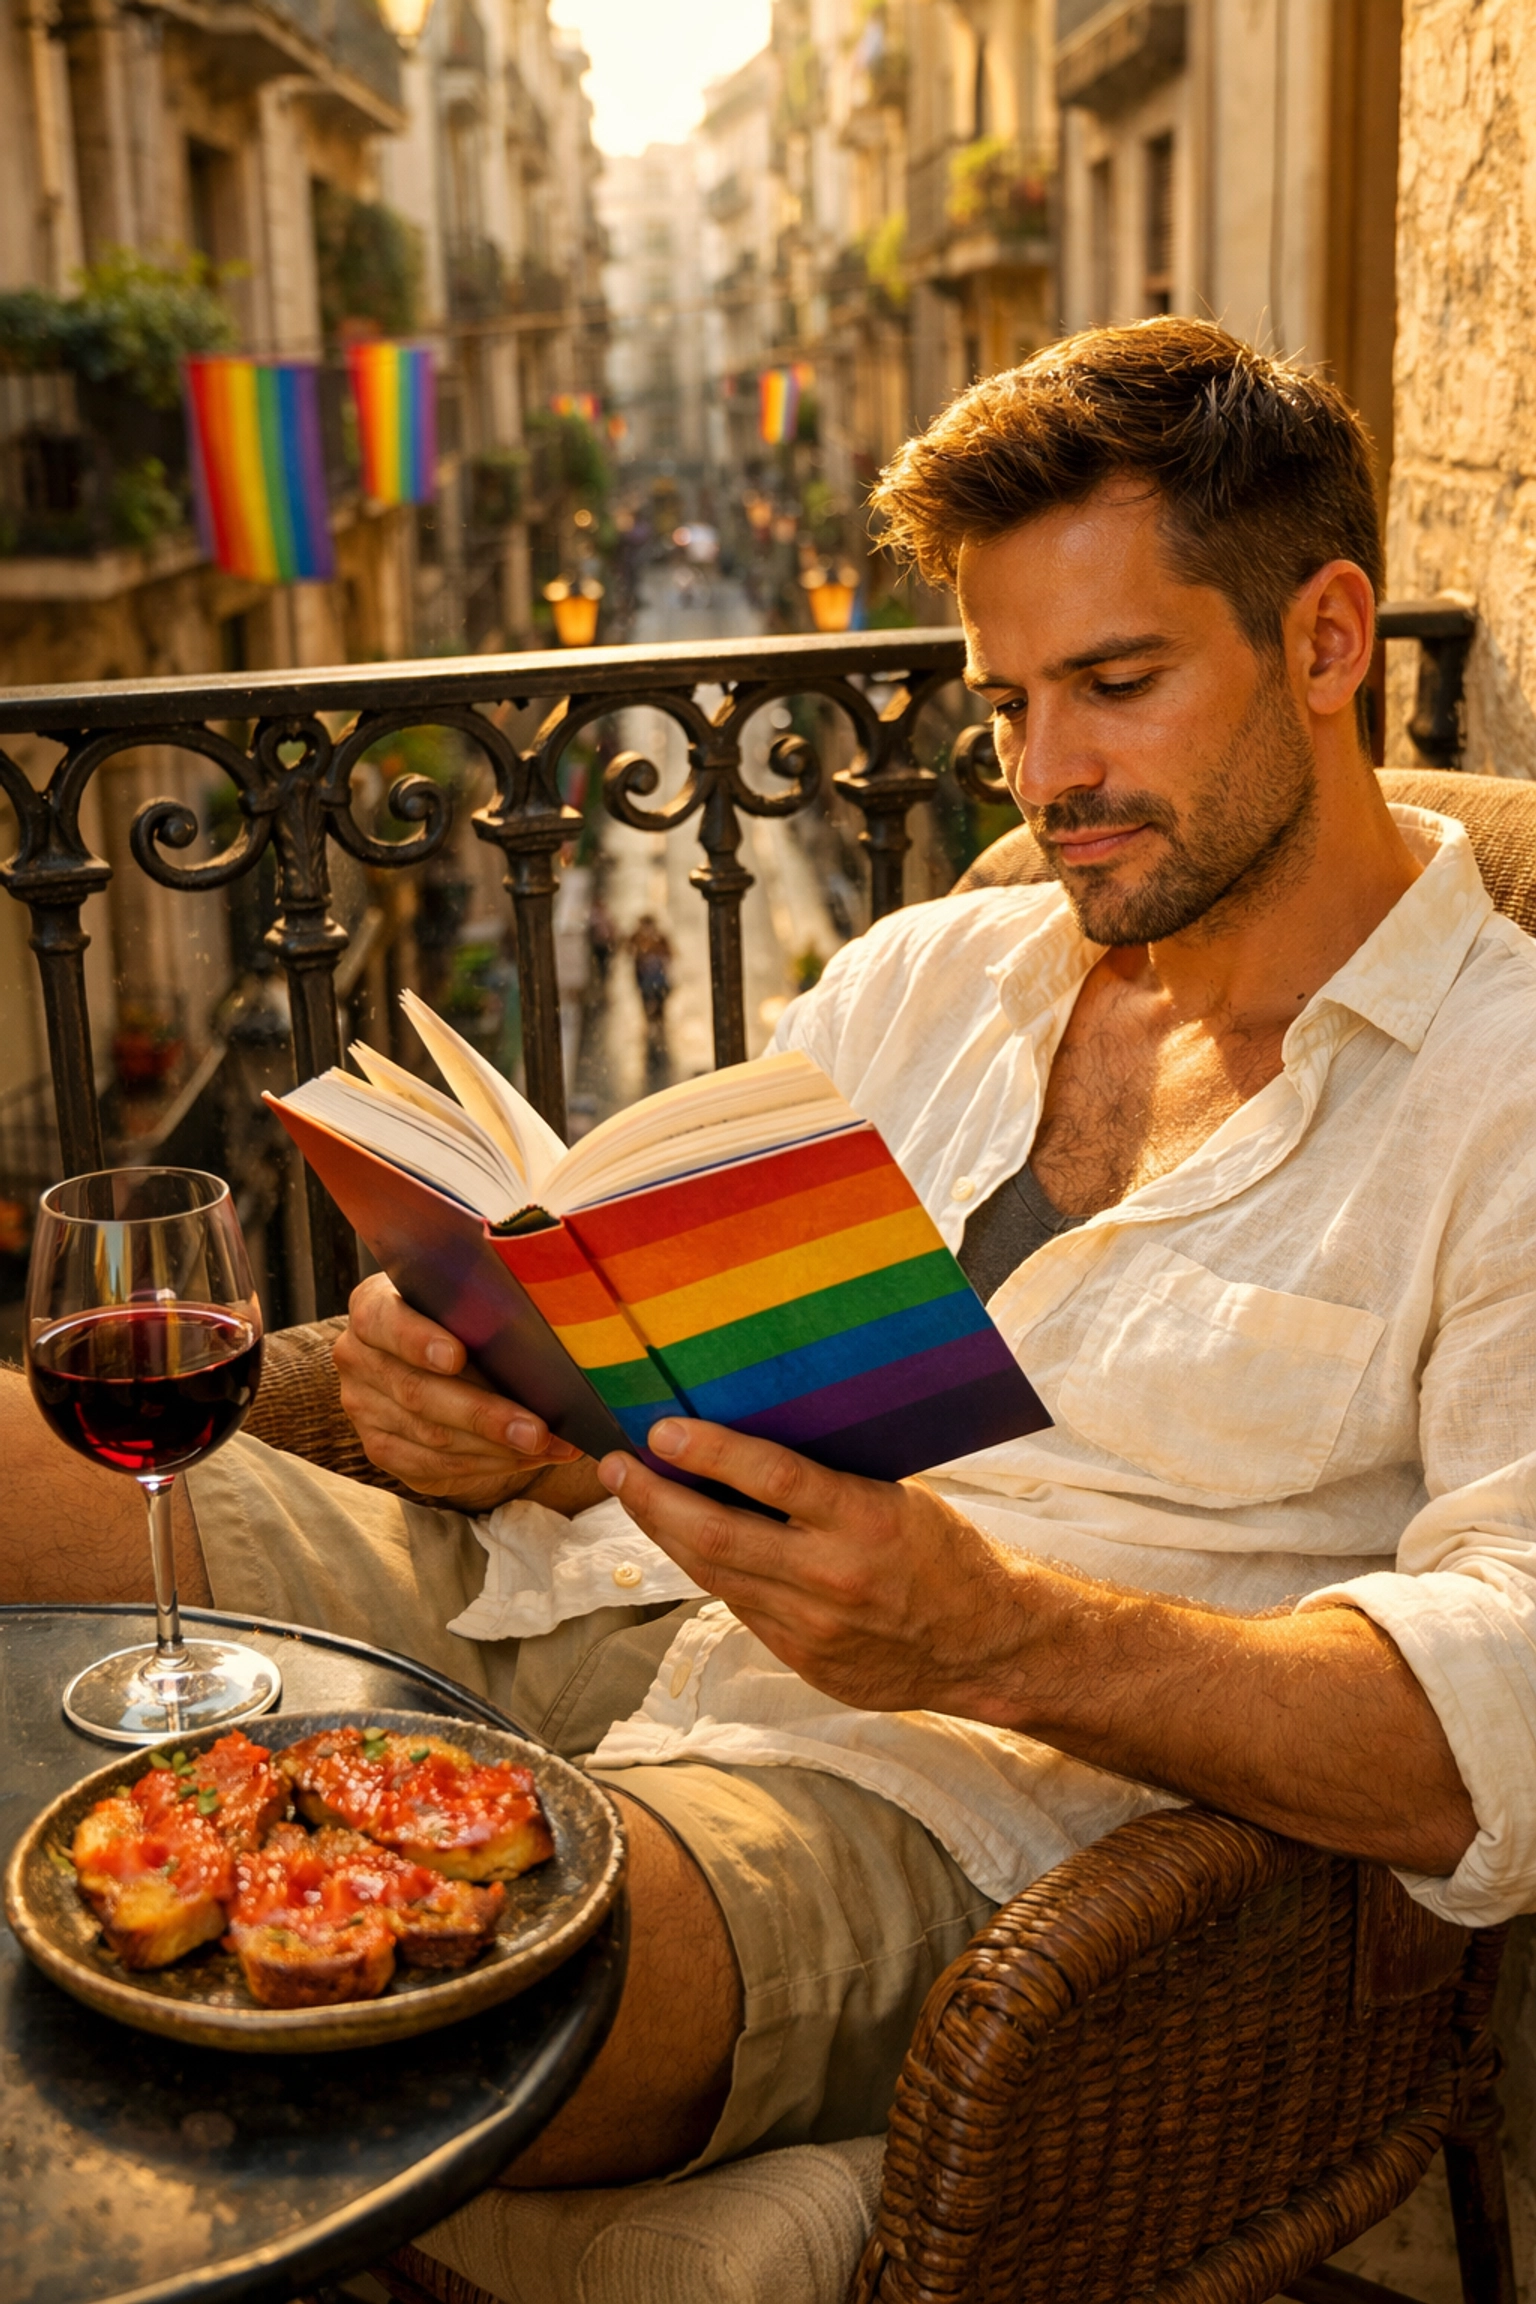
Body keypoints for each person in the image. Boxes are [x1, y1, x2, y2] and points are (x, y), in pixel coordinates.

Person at [8, 318, 1536, 2197]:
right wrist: (483, 1388)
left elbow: (1502, 1714)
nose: (1044, 777)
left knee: (417, 2004)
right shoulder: (927, 976)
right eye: (1005, 705)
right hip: (575, 1591)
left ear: (1324, 641)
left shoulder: (1504, 1093)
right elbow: (658, 1309)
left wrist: (1001, 1635)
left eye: (1115, 683)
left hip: (931, 1790)